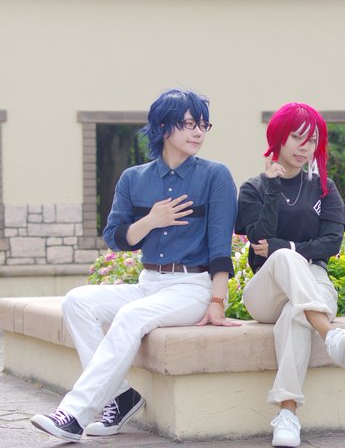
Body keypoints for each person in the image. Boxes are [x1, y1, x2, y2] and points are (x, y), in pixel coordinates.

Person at [31, 89, 240, 442]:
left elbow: (221, 248)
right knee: (76, 302)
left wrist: (217, 301)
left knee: (130, 316)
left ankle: (74, 414)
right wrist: (151, 221)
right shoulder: (134, 178)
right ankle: (120, 396)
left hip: (192, 288)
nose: (198, 132)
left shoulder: (215, 175)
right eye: (189, 124)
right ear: (164, 127)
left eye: (203, 125)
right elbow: (114, 238)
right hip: (149, 284)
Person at [235, 102, 345, 447]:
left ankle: (287, 415)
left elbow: (331, 243)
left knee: (296, 315)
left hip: (313, 281)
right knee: (285, 258)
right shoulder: (254, 188)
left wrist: (283, 245)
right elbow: (259, 239)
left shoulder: (324, 187)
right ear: (278, 137)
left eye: (312, 140)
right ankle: (329, 333)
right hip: (266, 291)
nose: (306, 147)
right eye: (298, 137)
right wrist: (274, 187)